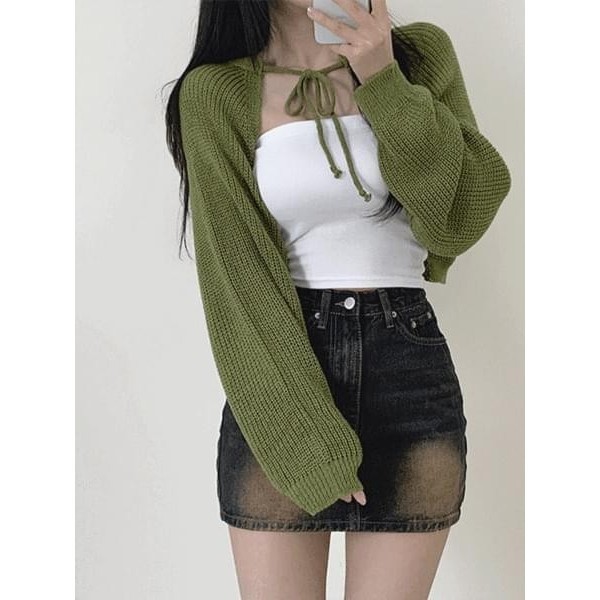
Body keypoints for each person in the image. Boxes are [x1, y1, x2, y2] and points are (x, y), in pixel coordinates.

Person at [165, 0, 512, 597]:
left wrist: (382, 78)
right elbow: (237, 280)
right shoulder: (216, 93)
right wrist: (303, 436)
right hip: (276, 380)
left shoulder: (420, 57)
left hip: (409, 369)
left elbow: (457, 219)